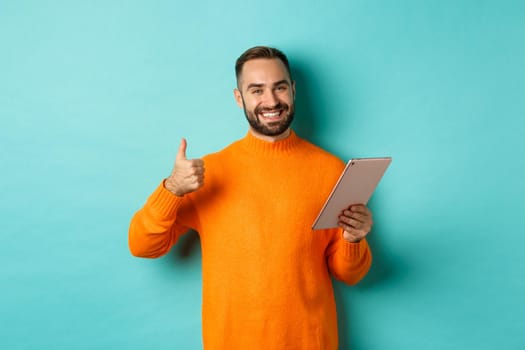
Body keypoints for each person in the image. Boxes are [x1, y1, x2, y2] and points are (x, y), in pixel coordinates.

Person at [129, 46, 373, 350]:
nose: (271, 101)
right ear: (238, 98)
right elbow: (142, 246)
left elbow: (349, 275)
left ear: (293, 90)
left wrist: (353, 239)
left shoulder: (332, 170)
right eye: (256, 90)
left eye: (279, 87)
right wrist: (171, 190)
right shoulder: (209, 172)